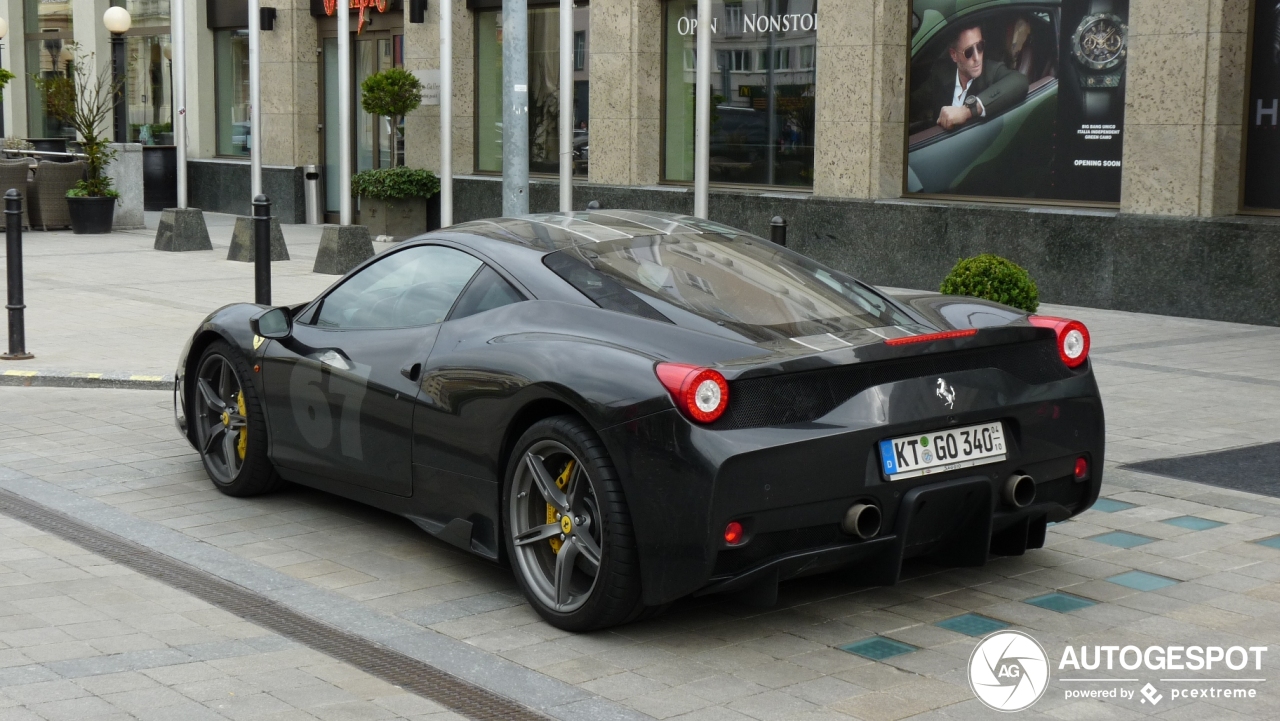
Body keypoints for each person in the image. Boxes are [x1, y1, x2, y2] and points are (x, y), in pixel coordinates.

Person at [912, 23, 1028, 131]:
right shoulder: (941, 74)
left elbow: (1019, 81)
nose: (977, 58)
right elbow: (914, 102)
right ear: (954, 55)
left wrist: (967, 111)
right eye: (968, 52)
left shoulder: (991, 71)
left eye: (980, 46)